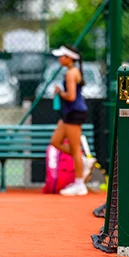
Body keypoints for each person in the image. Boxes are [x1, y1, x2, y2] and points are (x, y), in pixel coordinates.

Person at [49, 45, 95, 197]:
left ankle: (80, 185)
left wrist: (59, 92)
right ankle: (83, 160)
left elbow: (71, 97)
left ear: (69, 58)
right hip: (68, 113)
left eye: (62, 56)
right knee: (55, 141)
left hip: (74, 113)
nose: (59, 58)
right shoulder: (73, 71)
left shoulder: (71, 73)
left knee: (75, 149)